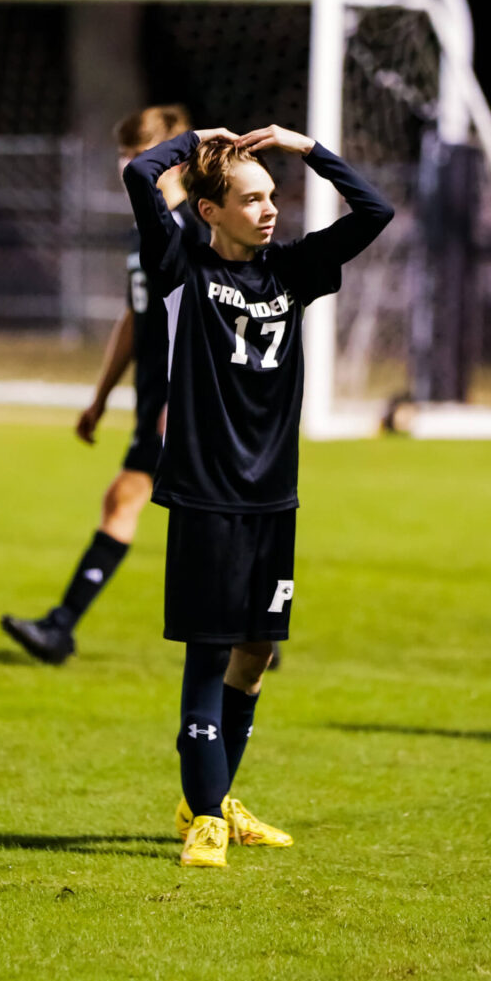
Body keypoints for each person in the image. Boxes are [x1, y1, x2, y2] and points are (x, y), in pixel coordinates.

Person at [123, 124, 393, 866]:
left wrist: (308, 151)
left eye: (273, 196)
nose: (270, 209)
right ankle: (206, 817)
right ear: (209, 211)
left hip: (274, 497)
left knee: (256, 653)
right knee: (208, 656)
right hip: (207, 495)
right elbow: (141, 175)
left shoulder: (294, 270)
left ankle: (207, 797)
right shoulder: (180, 265)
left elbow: (375, 213)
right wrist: (193, 139)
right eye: (250, 199)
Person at [0, 105, 196, 664]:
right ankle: (249, 628)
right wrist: (100, 397)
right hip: (155, 400)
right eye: (122, 155)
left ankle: (60, 627)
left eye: (139, 155)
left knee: (142, 504)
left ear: (173, 159)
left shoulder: (191, 231)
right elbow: (135, 318)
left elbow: (203, 327)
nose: (125, 166)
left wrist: (179, 406)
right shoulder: (147, 231)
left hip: (183, 406)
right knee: (199, 516)